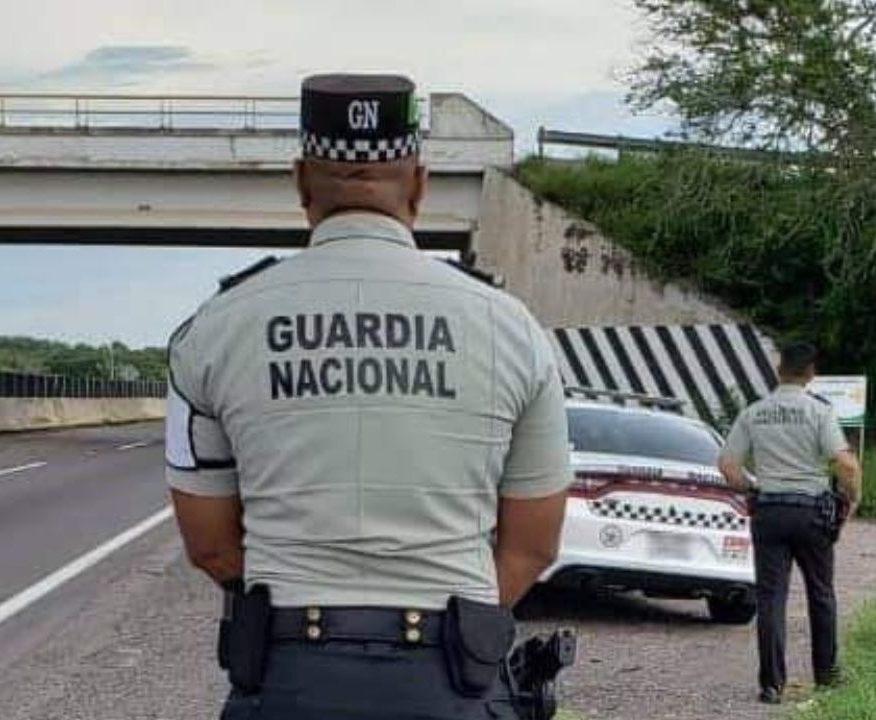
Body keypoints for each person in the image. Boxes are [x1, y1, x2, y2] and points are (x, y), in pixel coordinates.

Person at [164, 74, 571, 720]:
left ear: (300, 181)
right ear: (419, 184)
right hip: (451, 679)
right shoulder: (510, 329)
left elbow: (210, 544)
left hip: (288, 675)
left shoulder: (213, 330)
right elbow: (533, 545)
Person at [717, 341, 862, 705]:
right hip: (811, 512)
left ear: (778, 371)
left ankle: (771, 683)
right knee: (821, 594)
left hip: (769, 510)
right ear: (812, 373)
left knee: (771, 598)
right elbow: (845, 464)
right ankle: (826, 676)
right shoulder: (819, 412)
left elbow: (728, 466)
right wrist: (853, 497)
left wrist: (754, 485)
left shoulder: (754, 413)